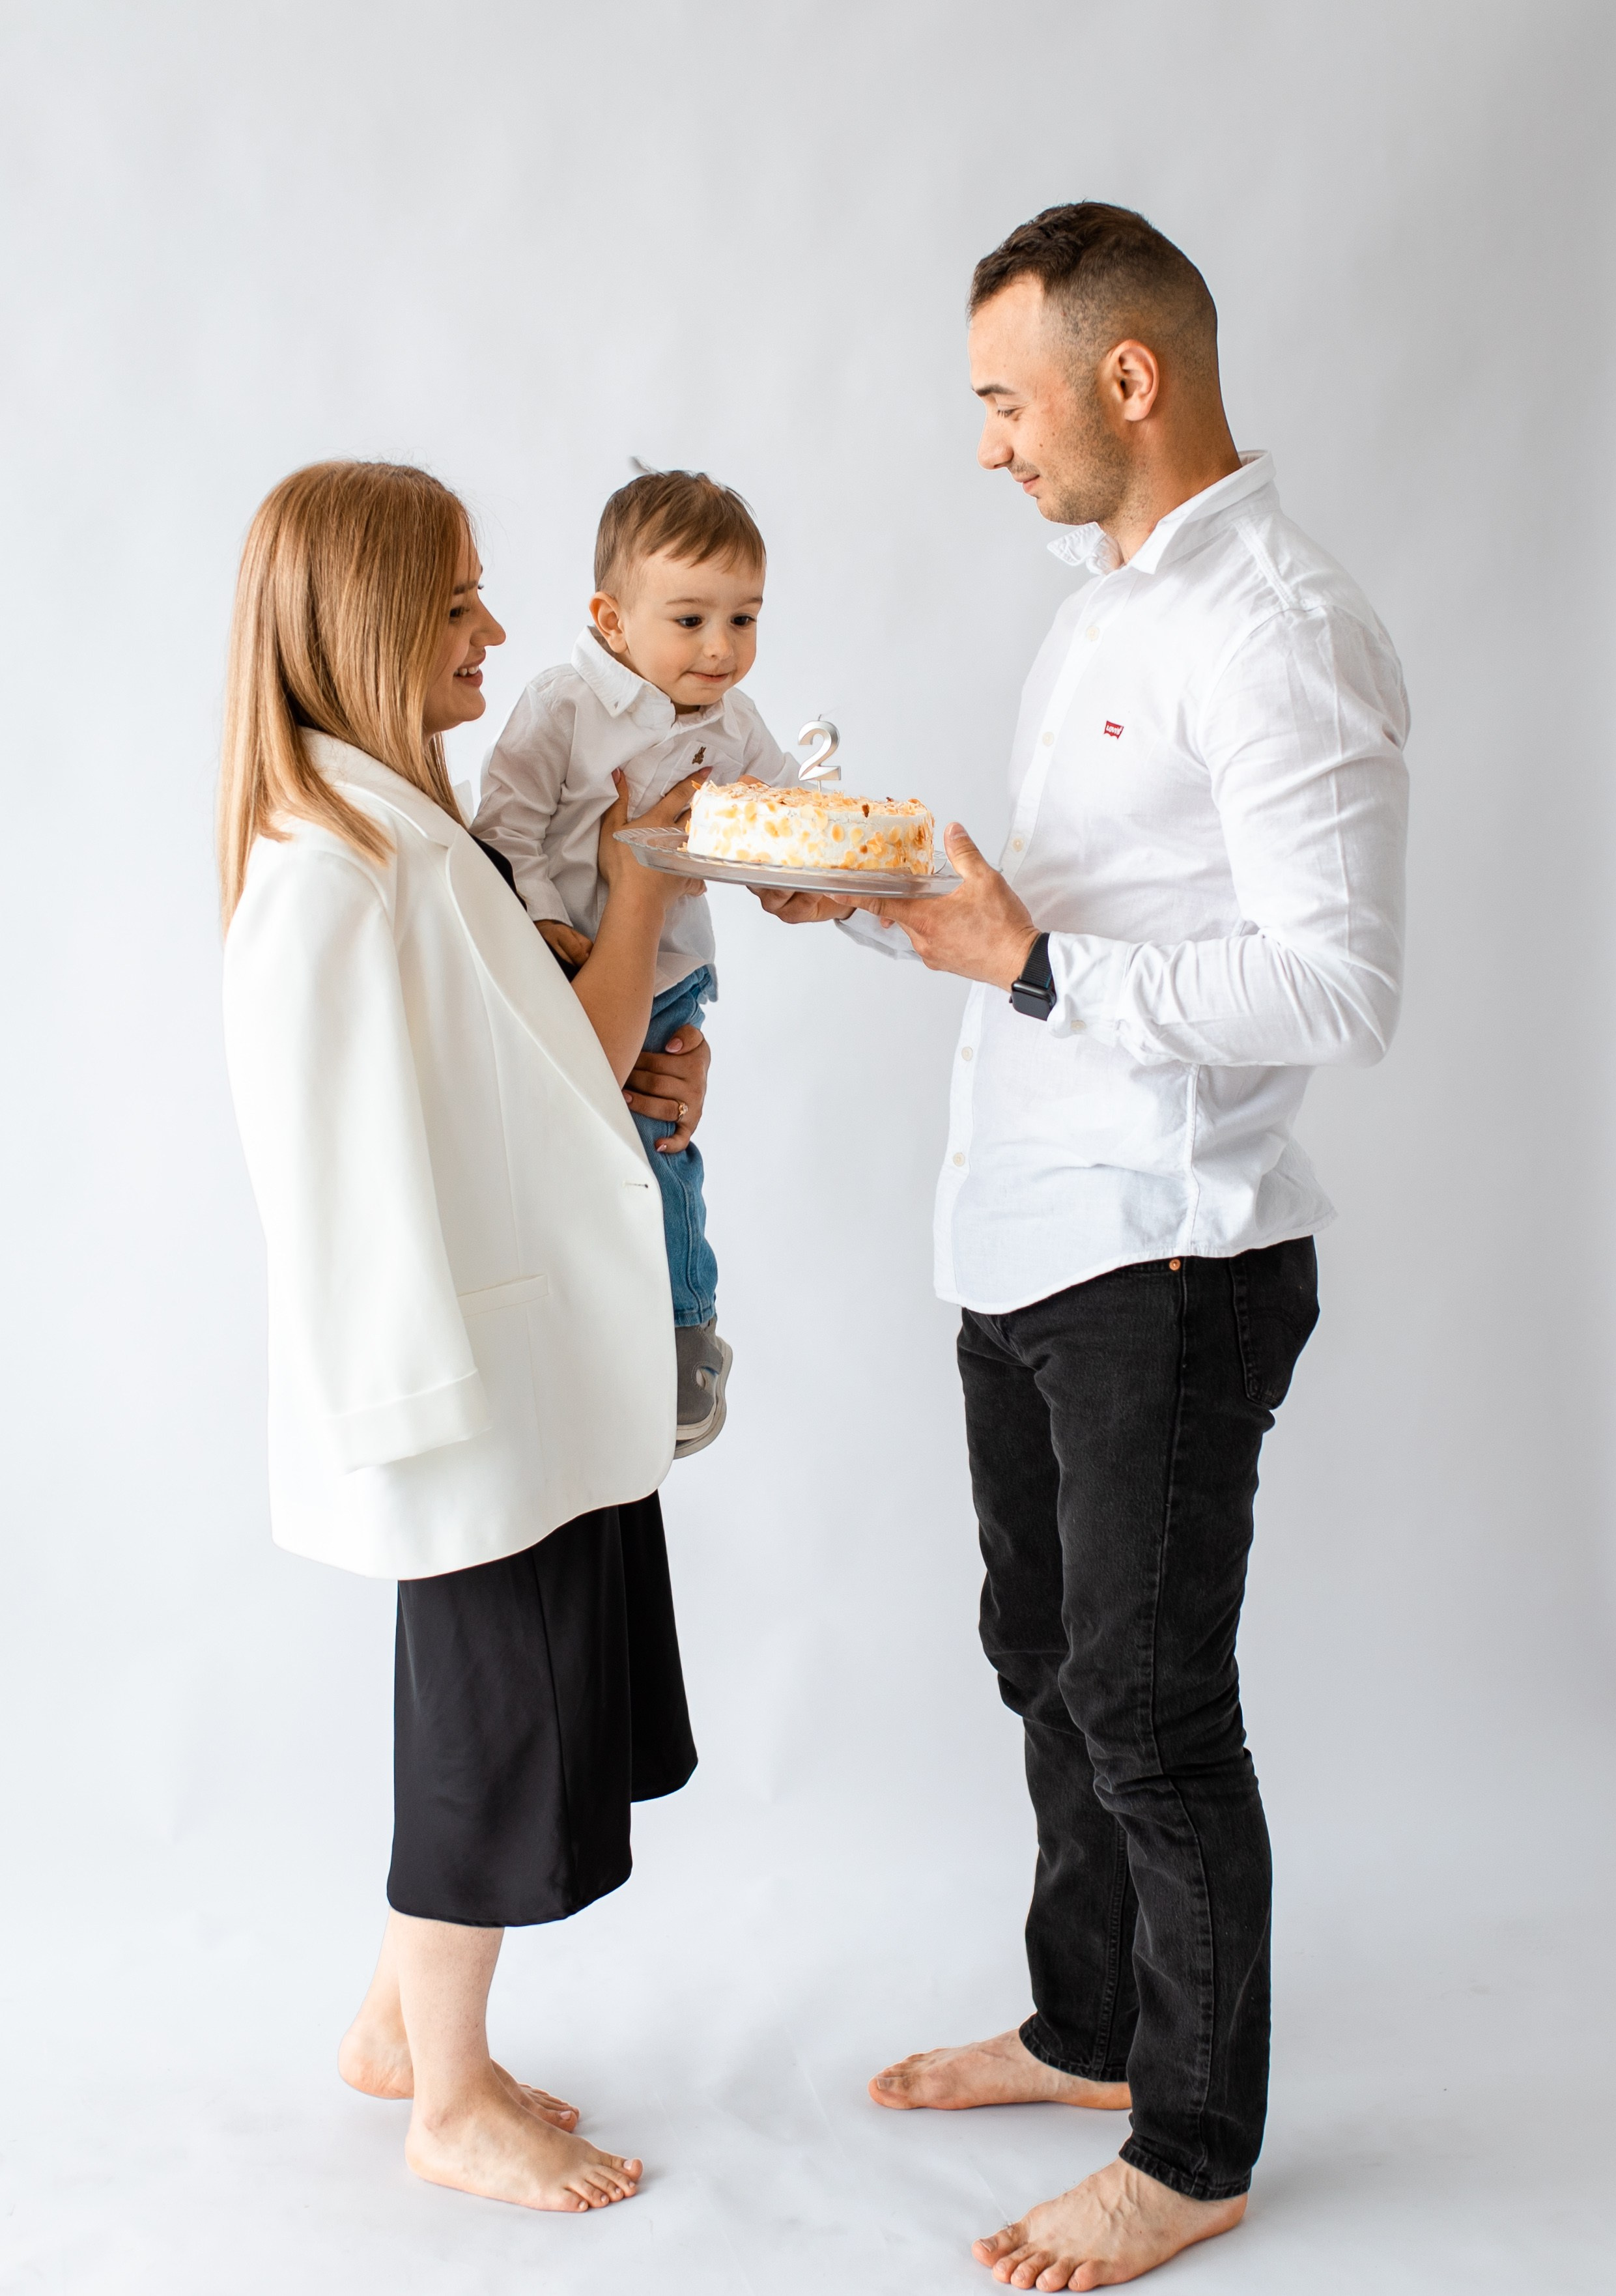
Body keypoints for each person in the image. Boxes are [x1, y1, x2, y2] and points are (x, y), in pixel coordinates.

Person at [759, 203, 1409, 2289]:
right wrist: (870, 898)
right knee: (1043, 1661)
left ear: (1127, 381)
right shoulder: (1103, 605)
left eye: (1001, 399)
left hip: (1174, 1256)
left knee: (1147, 1700)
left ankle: (1195, 2141)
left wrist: (1031, 961)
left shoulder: (1277, 625)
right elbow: (1060, 925)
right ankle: (1087, 2023)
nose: (984, 446)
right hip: (1027, 1231)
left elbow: (1336, 988)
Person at [219, 459, 710, 2215]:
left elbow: (536, 1070)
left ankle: (388, 2027)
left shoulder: (404, 834)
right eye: (454, 603)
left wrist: (653, 1076)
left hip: (525, 1365)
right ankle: (451, 2092)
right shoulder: (331, 868)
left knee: (515, 1706)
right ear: (360, 619)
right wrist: (647, 883)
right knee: (491, 1732)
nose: (493, 631)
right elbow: (332, 1174)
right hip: (456, 1387)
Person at [475, 469, 797, 1456]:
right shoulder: (563, 706)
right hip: (562, 972)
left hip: (668, 978)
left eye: (743, 618)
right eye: (691, 618)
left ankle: (682, 1326)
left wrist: (801, 877)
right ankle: (598, 1331)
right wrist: (541, 922)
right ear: (610, 619)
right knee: (579, 1168)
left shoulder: (732, 725)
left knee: (657, 1151)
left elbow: (783, 817)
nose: (722, 648)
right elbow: (506, 825)